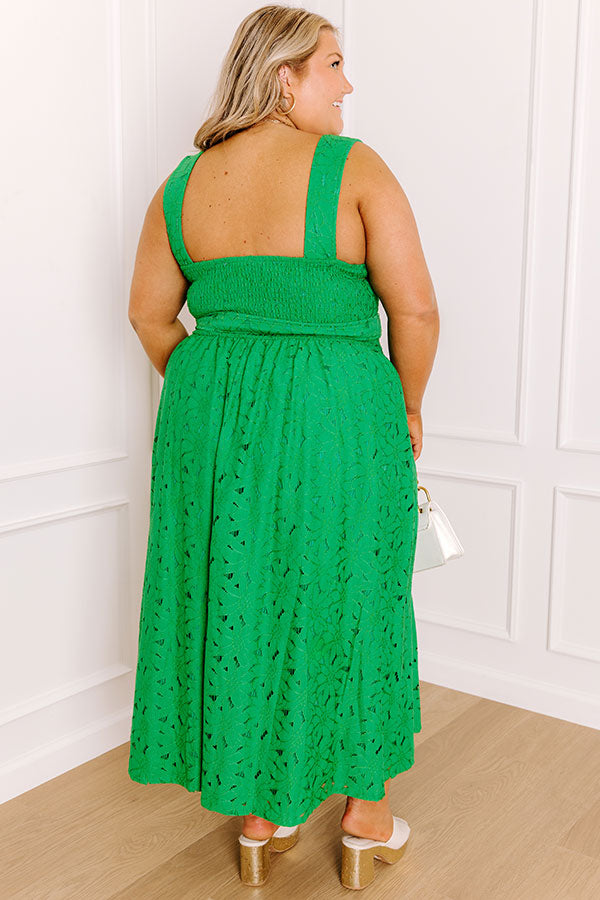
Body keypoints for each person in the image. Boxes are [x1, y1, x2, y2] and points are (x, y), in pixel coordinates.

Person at [127, 4, 439, 891]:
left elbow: (149, 316)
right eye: (333, 64)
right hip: (336, 411)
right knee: (356, 592)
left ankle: (262, 815)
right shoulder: (352, 167)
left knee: (244, 593)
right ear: (282, 76)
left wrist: (219, 397)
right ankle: (366, 819)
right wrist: (410, 405)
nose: (348, 83)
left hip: (207, 423)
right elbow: (416, 309)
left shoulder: (181, 186)